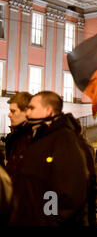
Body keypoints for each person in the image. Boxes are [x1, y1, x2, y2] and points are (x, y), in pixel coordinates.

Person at [9, 91, 89, 226]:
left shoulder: (64, 140)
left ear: (48, 110)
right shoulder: (37, 137)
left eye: (32, 108)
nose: (27, 113)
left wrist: (49, 219)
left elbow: (63, 191)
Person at [1, 92, 32, 180]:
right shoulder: (19, 134)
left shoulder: (34, 136)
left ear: (27, 111)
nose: (9, 115)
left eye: (13, 111)